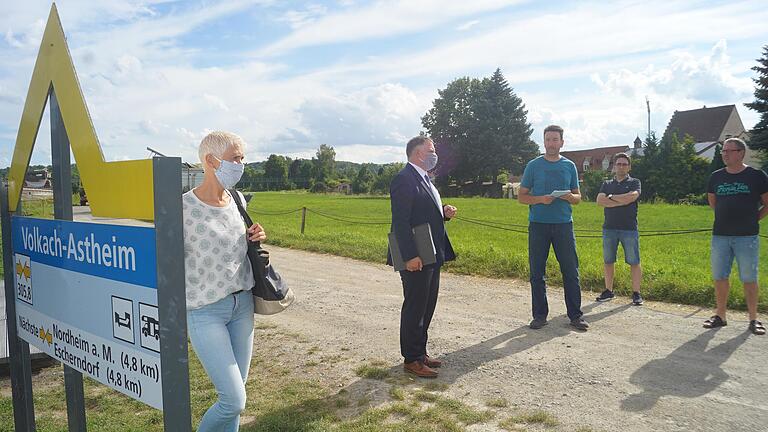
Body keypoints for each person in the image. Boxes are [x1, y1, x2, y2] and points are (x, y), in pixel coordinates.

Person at [183, 131, 267, 431]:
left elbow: (238, 244)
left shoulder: (237, 199)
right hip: (204, 311)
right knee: (233, 400)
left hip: (242, 306)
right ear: (210, 160)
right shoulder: (180, 209)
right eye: (235, 158)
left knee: (237, 398)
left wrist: (255, 235)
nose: (241, 165)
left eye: (242, 158)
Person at [388, 136, 457, 378]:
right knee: (415, 307)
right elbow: (400, 221)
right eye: (431, 150)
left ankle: (420, 352)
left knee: (427, 305)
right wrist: (410, 256)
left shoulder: (425, 179)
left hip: (432, 252)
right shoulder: (403, 179)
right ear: (418, 153)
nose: (434, 154)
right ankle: (411, 359)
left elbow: (424, 213)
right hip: (417, 255)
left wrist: (444, 213)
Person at [518, 125, 588, 331]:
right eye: (548, 139)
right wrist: (540, 199)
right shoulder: (533, 165)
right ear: (544, 142)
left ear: (562, 142)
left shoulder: (569, 166)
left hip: (564, 225)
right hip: (538, 225)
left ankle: (575, 315)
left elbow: (578, 198)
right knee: (537, 272)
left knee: (571, 271)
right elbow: (522, 197)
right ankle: (540, 315)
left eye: (555, 139)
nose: (551, 143)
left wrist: (569, 197)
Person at [703, 137, 768, 335]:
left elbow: (767, 203)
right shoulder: (716, 176)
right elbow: (713, 201)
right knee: (720, 276)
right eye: (723, 151)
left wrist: (753, 219)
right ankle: (720, 315)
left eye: (729, 151)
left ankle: (753, 319)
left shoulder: (756, 175)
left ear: (741, 153)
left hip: (747, 236)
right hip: (720, 235)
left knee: (749, 277)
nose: (725, 154)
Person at [595, 153, 643, 305]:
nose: (621, 166)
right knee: (608, 260)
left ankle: (636, 293)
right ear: (614, 166)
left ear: (629, 167)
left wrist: (611, 198)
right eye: (619, 164)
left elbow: (632, 197)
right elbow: (599, 201)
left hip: (629, 228)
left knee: (634, 261)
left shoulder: (635, 182)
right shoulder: (607, 183)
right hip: (609, 228)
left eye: (624, 164)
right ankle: (608, 291)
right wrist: (622, 200)